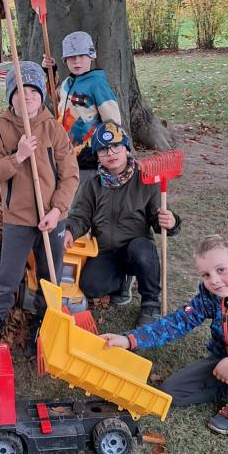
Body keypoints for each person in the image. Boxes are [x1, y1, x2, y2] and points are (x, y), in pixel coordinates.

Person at [102, 233, 228, 435]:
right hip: (224, 361)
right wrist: (129, 340)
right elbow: (179, 322)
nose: (214, 280)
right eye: (206, 275)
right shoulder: (211, 295)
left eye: (221, 270)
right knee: (171, 392)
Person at [0, 62, 79, 354]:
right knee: (8, 275)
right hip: (18, 219)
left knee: (50, 275)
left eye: (33, 91)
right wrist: (18, 156)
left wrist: (57, 211)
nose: (28, 97)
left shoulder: (53, 128)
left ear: (42, 95)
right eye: (21, 91)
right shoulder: (0, 129)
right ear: (11, 96)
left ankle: (44, 321)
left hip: (52, 218)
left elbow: (70, 175)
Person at [65, 121, 179, 325]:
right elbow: (80, 216)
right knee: (91, 286)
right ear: (97, 156)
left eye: (116, 146)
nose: (110, 153)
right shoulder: (92, 185)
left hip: (136, 247)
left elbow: (158, 220)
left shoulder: (146, 180)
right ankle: (122, 282)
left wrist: (170, 221)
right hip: (105, 249)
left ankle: (151, 303)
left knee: (142, 251)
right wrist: (70, 231)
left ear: (126, 148)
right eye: (103, 149)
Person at [44, 31, 121, 181]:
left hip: (89, 154)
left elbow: (112, 121)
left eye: (81, 55)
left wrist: (105, 148)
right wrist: (50, 71)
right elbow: (55, 96)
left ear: (91, 56)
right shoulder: (67, 83)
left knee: (86, 188)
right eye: (71, 57)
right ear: (65, 60)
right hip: (66, 149)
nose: (76, 61)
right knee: (68, 186)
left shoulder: (97, 84)